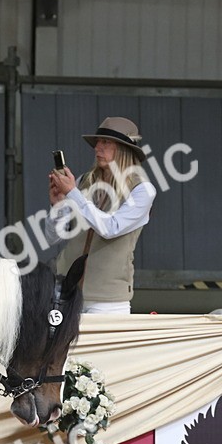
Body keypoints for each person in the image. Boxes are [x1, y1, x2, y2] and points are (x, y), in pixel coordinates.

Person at [47, 117, 157, 314]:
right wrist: (57, 206)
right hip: (65, 292)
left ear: (124, 149)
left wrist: (73, 193)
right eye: (97, 142)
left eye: (105, 142)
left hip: (108, 302)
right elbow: (53, 237)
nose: (97, 147)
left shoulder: (142, 190)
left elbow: (110, 228)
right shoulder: (82, 182)